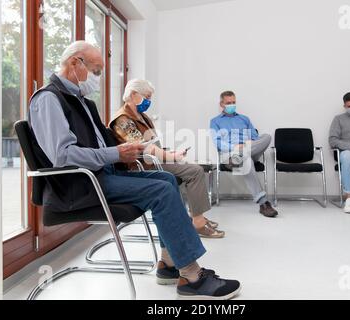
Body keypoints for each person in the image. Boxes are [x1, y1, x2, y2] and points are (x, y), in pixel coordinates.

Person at [28, 41, 241, 299]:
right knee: (161, 190)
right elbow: (62, 156)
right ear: (75, 63)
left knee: (166, 179)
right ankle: (192, 276)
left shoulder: (82, 102)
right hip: (79, 186)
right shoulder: (48, 100)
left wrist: (129, 150)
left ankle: (169, 262)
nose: (98, 78)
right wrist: (116, 153)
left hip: (103, 175)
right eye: (96, 71)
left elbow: (103, 143)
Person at [109, 79, 224, 239]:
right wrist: (171, 156)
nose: (149, 101)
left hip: (153, 161)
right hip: (141, 166)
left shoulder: (142, 117)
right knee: (195, 171)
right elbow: (143, 147)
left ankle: (198, 217)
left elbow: (153, 144)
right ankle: (197, 222)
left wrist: (171, 153)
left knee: (192, 166)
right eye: (147, 96)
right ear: (134, 95)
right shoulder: (122, 120)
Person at [210, 91, 278, 218]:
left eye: (233, 102)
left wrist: (248, 144)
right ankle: (263, 204)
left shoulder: (244, 119)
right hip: (230, 154)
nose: (232, 105)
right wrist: (234, 147)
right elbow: (217, 142)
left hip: (249, 151)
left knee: (267, 137)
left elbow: (256, 137)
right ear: (221, 104)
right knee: (246, 161)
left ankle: (238, 157)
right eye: (228, 103)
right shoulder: (215, 122)